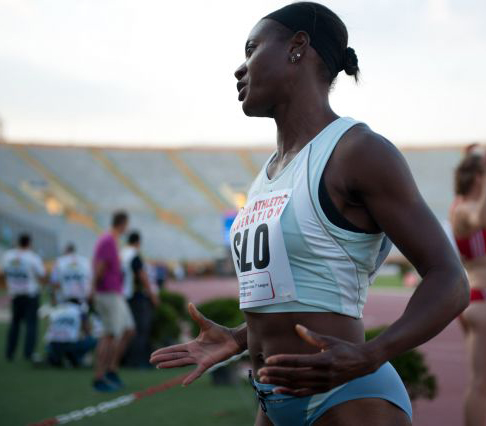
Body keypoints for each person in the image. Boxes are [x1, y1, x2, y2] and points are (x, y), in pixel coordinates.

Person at [151, 3, 468, 425]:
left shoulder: (358, 151)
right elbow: (298, 292)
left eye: (251, 49)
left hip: (348, 398)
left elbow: (450, 279)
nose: (239, 69)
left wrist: (372, 353)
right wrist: (241, 338)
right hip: (272, 401)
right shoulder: (268, 174)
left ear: (297, 47)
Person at [449, 146, 486, 426]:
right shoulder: (466, 210)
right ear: (478, 178)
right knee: (481, 384)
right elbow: (483, 217)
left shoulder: (459, 206)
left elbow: (485, 205)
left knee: (476, 382)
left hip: (473, 298)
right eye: (485, 177)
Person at [91, 210, 135, 392]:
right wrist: (93, 289)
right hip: (108, 293)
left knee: (128, 330)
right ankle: (99, 377)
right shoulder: (109, 240)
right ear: (122, 223)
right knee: (109, 335)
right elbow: (101, 267)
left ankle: (111, 370)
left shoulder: (112, 240)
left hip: (115, 292)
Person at [2, 233, 45, 361]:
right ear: (29, 243)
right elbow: (41, 274)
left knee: (15, 324)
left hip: (15, 294)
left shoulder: (8, 255)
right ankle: (29, 353)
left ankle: (10, 352)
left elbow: (3, 272)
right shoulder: (32, 257)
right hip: (30, 295)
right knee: (31, 325)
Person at [121, 231, 159, 367]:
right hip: (136, 296)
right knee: (141, 329)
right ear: (138, 242)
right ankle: (138, 360)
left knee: (128, 329)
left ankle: (126, 359)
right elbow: (141, 275)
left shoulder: (122, 254)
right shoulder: (134, 255)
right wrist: (153, 295)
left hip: (123, 295)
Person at [44, 298, 97, 367]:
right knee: (93, 340)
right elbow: (87, 330)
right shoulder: (79, 310)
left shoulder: (57, 310)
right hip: (70, 344)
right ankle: (77, 358)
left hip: (52, 344)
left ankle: (56, 357)